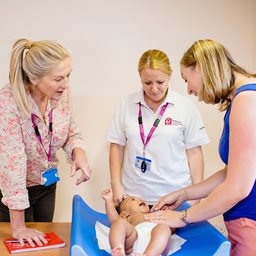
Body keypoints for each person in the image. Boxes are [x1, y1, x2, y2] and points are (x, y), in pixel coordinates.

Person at [144, 39, 256, 256]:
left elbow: (238, 187)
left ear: (202, 68)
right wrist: (185, 194)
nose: (190, 90)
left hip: (249, 221)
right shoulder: (243, 98)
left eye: (187, 79)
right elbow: (232, 172)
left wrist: (183, 217)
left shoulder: (247, 100)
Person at [0, 38, 91, 247]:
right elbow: (12, 163)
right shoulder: (8, 101)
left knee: (42, 245)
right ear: (34, 77)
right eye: (58, 78)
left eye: (68, 75)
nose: (66, 84)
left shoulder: (63, 95)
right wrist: (19, 227)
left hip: (46, 184)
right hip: (12, 191)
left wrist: (79, 152)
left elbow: (71, 132)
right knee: (19, 244)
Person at [107, 49, 209, 207]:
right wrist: (116, 184)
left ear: (170, 75)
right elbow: (116, 146)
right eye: (147, 83)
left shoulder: (186, 107)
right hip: (134, 199)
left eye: (160, 82)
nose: (154, 89)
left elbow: (194, 153)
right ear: (140, 77)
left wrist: (196, 196)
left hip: (175, 198)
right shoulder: (127, 104)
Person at [101, 188, 173, 256]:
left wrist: (167, 213)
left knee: (164, 228)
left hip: (158, 244)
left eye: (140, 199)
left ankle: (148, 255)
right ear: (124, 214)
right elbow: (114, 219)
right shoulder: (125, 219)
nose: (140, 200)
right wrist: (108, 200)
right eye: (133, 199)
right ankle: (118, 250)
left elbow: (173, 226)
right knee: (118, 223)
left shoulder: (156, 215)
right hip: (136, 238)